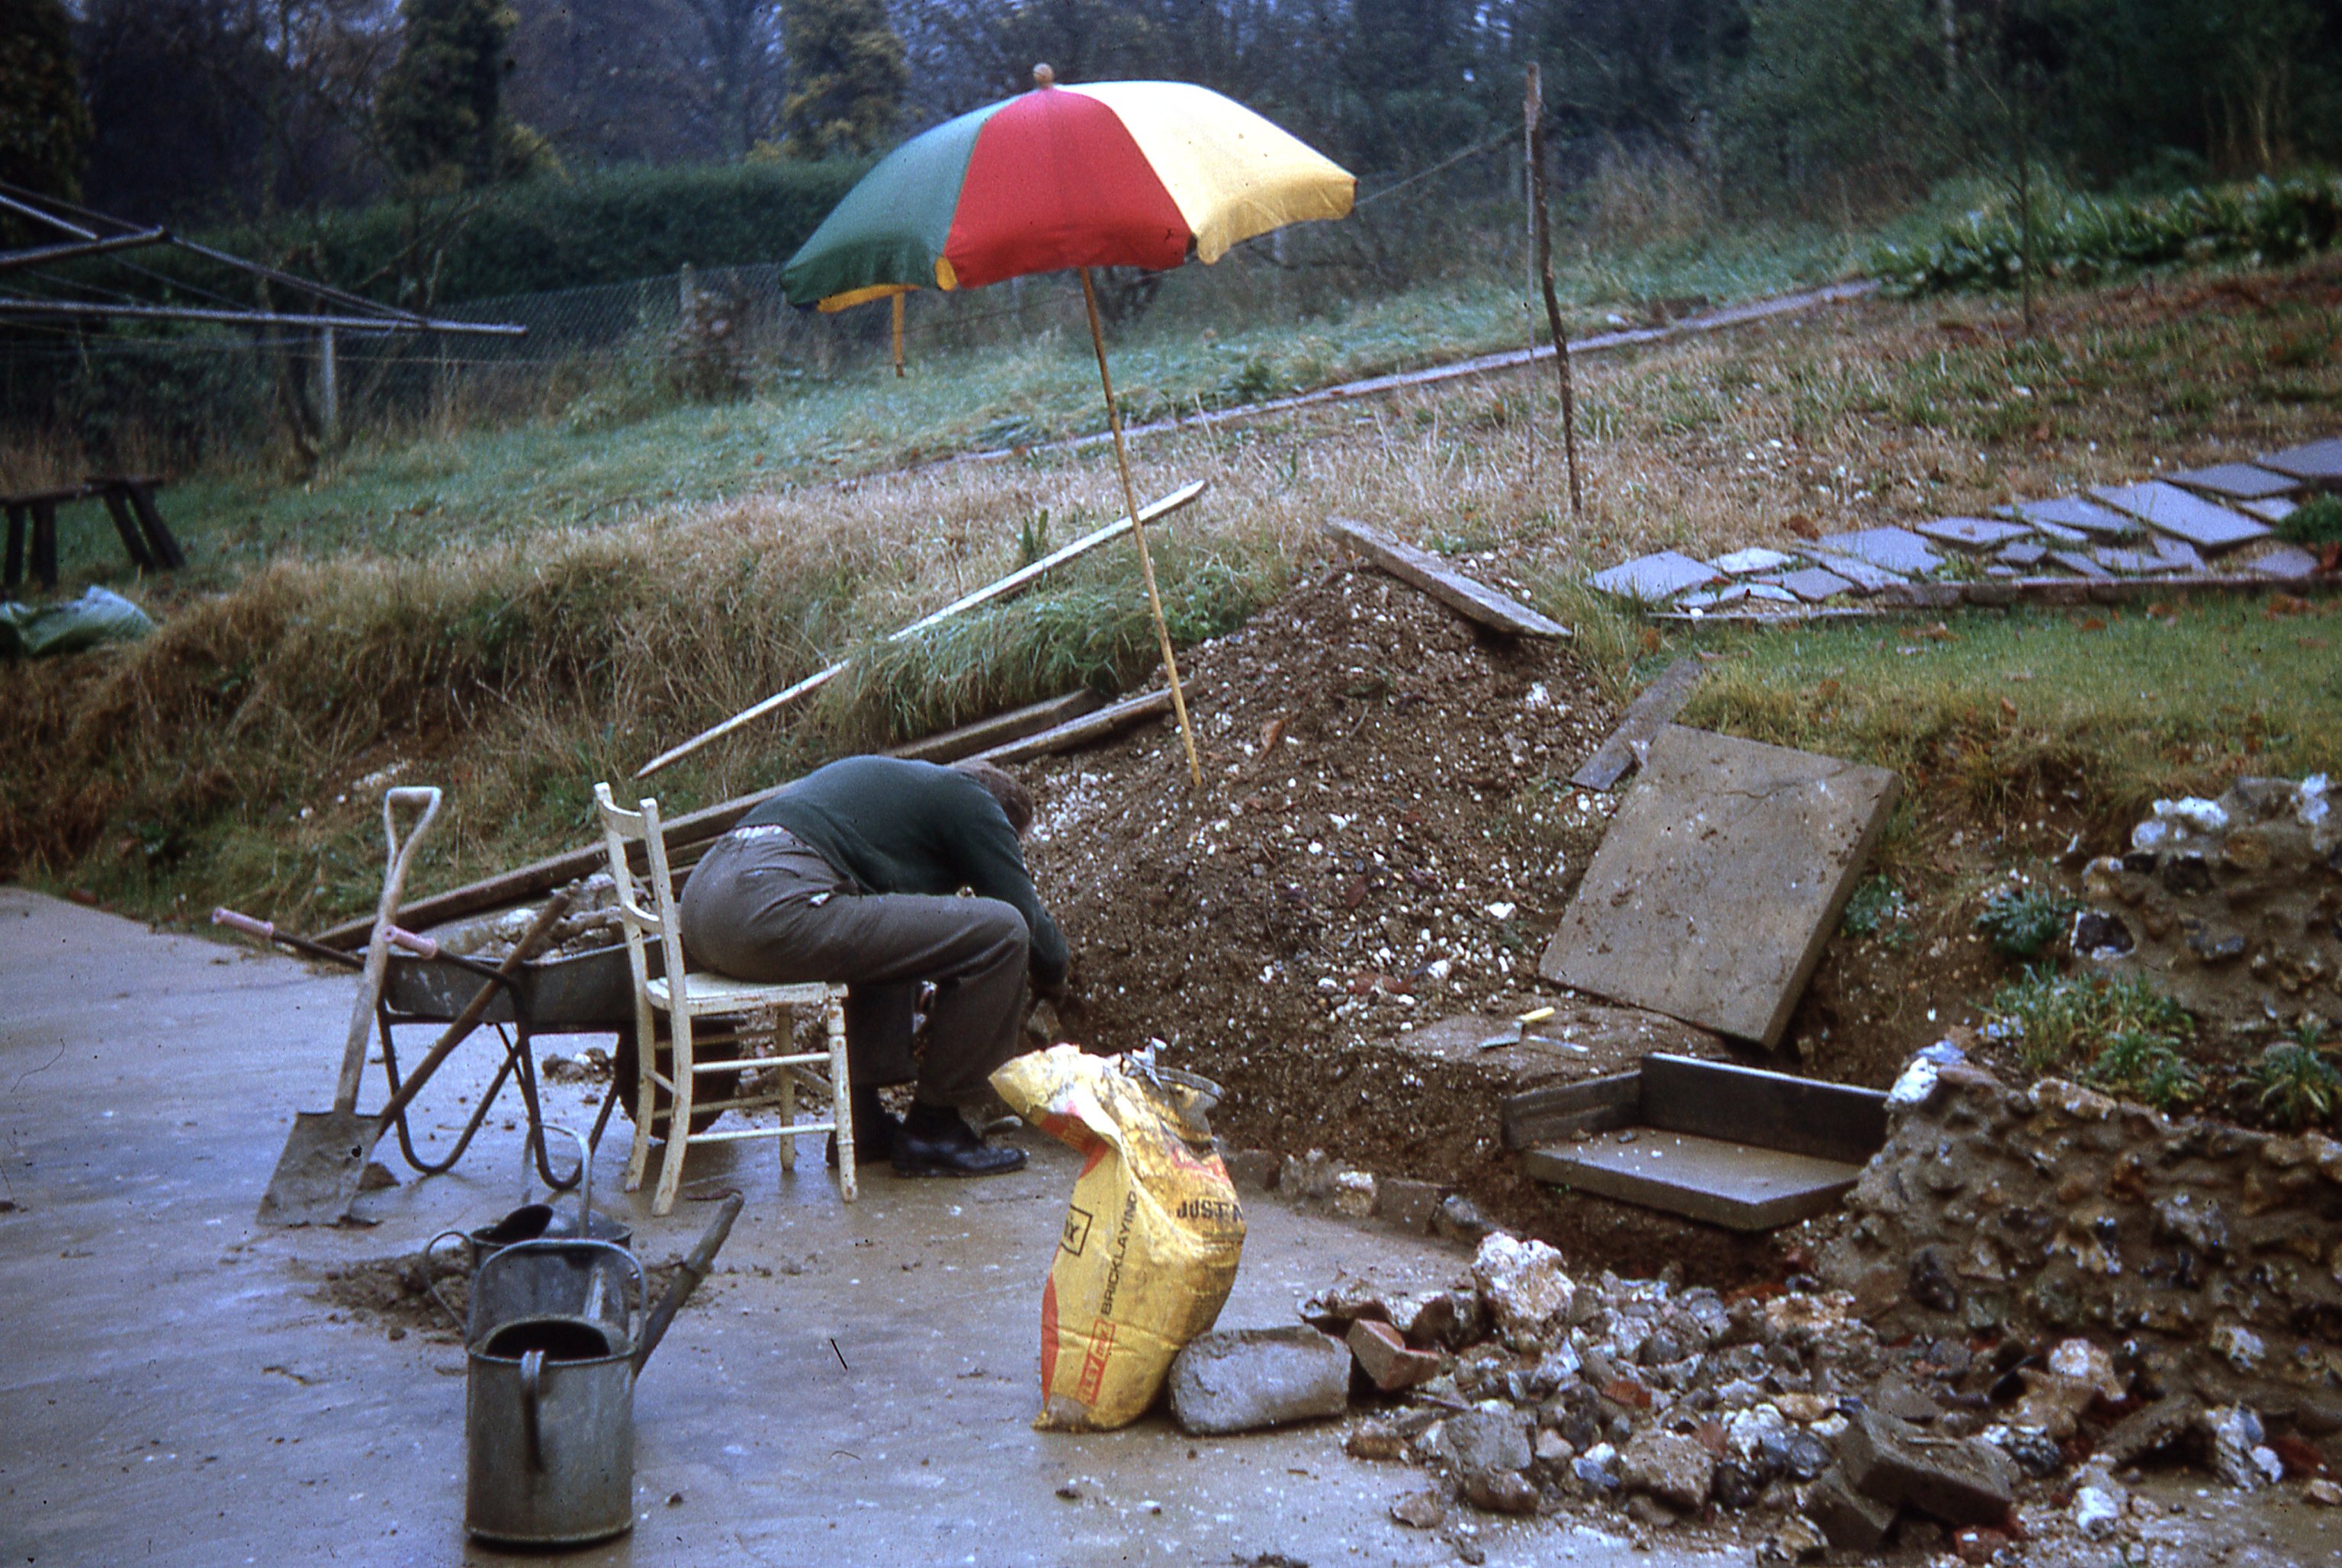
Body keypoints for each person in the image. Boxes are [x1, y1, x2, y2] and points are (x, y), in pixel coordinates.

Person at [678, 755, 1068, 1177]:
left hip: (704, 905)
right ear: (1001, 822)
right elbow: (1024, 917)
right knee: (1004, 932)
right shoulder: (974, 800)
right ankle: (936, 1130)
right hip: (764, 903)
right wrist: (1058, 977)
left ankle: (862, 1123)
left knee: (884, 915)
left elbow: (897, 925)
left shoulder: (895, 793)